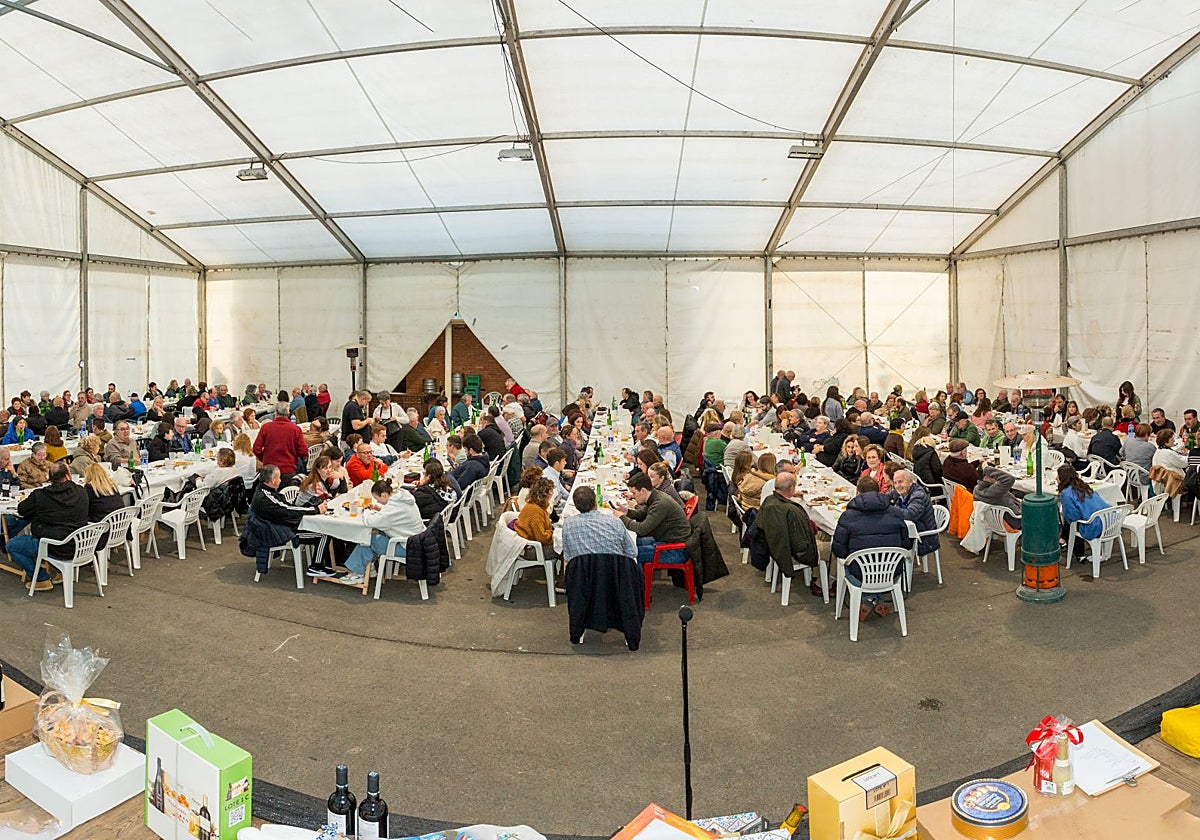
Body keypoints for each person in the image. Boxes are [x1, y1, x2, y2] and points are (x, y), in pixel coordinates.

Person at [831, 475, 908, 619]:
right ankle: (874, 600)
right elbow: (906, 544)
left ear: (858, 492)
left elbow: (839, 549)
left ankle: (868, 601)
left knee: (859, 565)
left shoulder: (848, 516)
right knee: (875, 565)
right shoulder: (896, 513)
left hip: (860, 573)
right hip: (891, 571)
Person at [7, 461, 89, 590]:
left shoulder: (41, 495)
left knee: (12, 545)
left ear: (49, 478)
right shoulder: (81, 491)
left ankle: (41, 578)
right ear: (68, 475)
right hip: (82, 543)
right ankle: (58, 572)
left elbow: (22, 510)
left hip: (53, 545)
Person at [335, 479, 424, 586]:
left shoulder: (393, 508)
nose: (377, 502)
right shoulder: (403, 497)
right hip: (416, 541)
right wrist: (380, 508)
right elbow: (391, 515)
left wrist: (366, 511)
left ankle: (358, 573)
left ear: (383, 495)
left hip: (408, 547)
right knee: (372, 536)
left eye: (377, 499)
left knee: (367, 539)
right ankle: (367, 568)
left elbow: (371, 522)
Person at [245, 465, 325, 575]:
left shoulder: (264, 491)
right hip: (275, 532)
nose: (280, 480)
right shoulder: (265, 497)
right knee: (323, 534)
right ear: (273, 480)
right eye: (279, 478)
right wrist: (315, 509)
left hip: (275, 527)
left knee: (320, 531)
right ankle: (316, 566)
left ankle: (322, 563)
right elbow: (287, 509)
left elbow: (287, 509)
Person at [615, 471, 690, 565]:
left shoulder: (660, 504)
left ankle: (638, 579)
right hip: (668, 540)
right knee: (632, 543)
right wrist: (627, 512)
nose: (633, 496)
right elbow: (643, 514)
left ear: (643, 491)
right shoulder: (655, 496)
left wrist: (621, 517)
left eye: (634, 493)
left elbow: (642, 529)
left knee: (630, 553)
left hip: (676, 550)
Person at [758, 470, 818, 583]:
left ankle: (814, 574)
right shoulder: (792, 511)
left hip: (775, 545)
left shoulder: (769, 500)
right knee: (831, 546)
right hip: (796, 552)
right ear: (791, 488)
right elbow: (805, 534)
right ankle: (822, 582)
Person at [1057, 464, 1111, 557]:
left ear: (1062, 478)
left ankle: (1078, 553)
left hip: (1093, 527)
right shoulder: (1084, 486)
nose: (1056, 478)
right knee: (1074, 519)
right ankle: (1064, 539)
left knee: (1071, 522)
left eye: (1057, 476)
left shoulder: (1065, 494)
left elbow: (1073, 517)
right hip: (1109, 521)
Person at [253, 402, 308, 480]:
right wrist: (293, 457)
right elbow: (304, 451)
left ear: (275, 412)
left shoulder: (266, 428)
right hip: (288, 469)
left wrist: (264, 458)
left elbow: (256, 448)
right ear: (288, 413)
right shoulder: (296, 429)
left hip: (269, 469)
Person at [889, 470, 938, 556]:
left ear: (910, 482)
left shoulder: (918, 495)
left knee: (888, 539)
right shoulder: (900, 492)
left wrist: (891, 510)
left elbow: (909, 515)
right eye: (895, 483)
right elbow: (884, 498)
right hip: (910, 531)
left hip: (924, 538)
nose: (897, 486)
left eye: (900, 482)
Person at [515, 478, 559, 572]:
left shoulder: (536, 505)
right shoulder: (536, 512)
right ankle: (560, 580)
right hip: (531, 549)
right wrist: (553, 534)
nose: (552, 493)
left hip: (530, 543)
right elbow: (542, 538)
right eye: (551, 491)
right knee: (564, 547)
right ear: (544, 494)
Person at [82, 463, 124, 531]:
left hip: (101, 529)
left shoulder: (89, 488)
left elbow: (85, 509)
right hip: (120, 526)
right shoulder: (112, 485)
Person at [907, 427, 943, 496]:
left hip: (921, 480)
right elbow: (938, 470)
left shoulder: (915, 448)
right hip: (931, 484)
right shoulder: (930, 452)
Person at [1121, 423, 1156, 490]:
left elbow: (1121, 453)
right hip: (1144, 477)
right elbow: (1156, 460)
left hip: (1130, 474)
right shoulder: (1150, 447)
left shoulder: (1128, 441)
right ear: (1146, 435)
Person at [540, 447, 570, 513]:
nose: (565, 463)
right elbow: (555, 503)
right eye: (563, 461)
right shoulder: (548, 478)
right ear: (557, 463)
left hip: (559, 505)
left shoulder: (554, 473)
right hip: (553, 511)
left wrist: (572, 498)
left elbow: (562, 491)